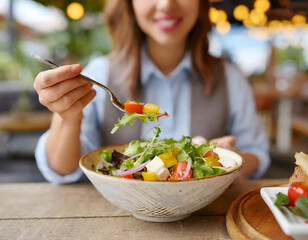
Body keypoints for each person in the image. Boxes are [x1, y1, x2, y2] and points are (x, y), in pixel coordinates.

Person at [34, 0, 270, 184]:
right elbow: (63, 169)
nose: (166, 4)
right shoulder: (100, 74)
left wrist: (227, 158)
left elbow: (257, 156)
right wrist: (67, 116)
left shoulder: (231, 78)